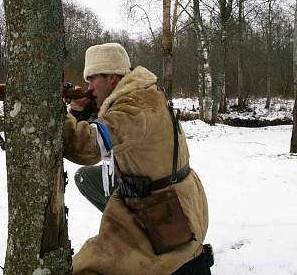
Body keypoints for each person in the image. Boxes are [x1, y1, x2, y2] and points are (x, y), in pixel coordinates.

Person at [63, 43, 210, 275]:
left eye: (92, 79)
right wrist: (82, 112)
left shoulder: (135, 108)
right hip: (169, 195)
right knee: (87, 178)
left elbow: (86, 147)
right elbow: (111, 125)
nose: (89, 88)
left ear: (112, 78)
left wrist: (59, 115)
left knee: (87, 268)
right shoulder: (140, 94)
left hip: (164, 208)